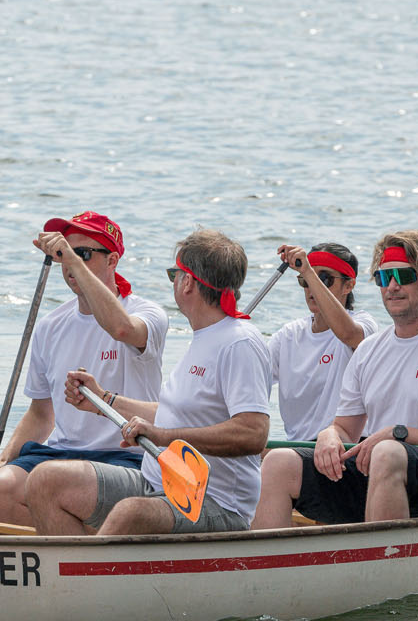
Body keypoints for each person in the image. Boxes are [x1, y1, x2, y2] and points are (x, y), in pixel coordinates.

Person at [26, 228, 271, 535]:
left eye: (173, 274)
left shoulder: (239, 343)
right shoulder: (204, 338)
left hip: (215, 502)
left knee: (130, 512)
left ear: (187, 282)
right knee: (45, 480)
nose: (174, 281)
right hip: (158, 482)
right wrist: (104, 401)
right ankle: (81, 565)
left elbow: (253, 433)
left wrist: (163, 436)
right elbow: (173, 415)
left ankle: (91, 565)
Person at [251, 230, 418, 528]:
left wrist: (399, 434)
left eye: (404, 276)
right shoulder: (369, 350)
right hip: (380, 468)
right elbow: (345, 428)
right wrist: (329, 435)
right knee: (279, 462)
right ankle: (269, 558)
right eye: (383, 278)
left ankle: (381, 555)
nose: (392, 286)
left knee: (388, 451)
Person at [0, 211, 168, 526]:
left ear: (113, 261)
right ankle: (86, 543)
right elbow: (41, 414)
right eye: (64, 254)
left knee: (51, 481)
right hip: (61, 456)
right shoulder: (50, 326)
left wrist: (72, 260)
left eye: (82, 254)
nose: (69, 263)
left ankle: (82, 544)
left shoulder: (148, 314)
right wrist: (3, 459)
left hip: (126, 457)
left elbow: (122, 329)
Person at [267, 241, 379, 441]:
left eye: (324, 279)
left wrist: (308, 272)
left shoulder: (364, 324)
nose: (312, 287)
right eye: (305, 280)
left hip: (346, 445)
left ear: (349, 285)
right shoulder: (288, 336)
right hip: (299, 448)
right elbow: (250, 374)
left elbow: (348, 334)